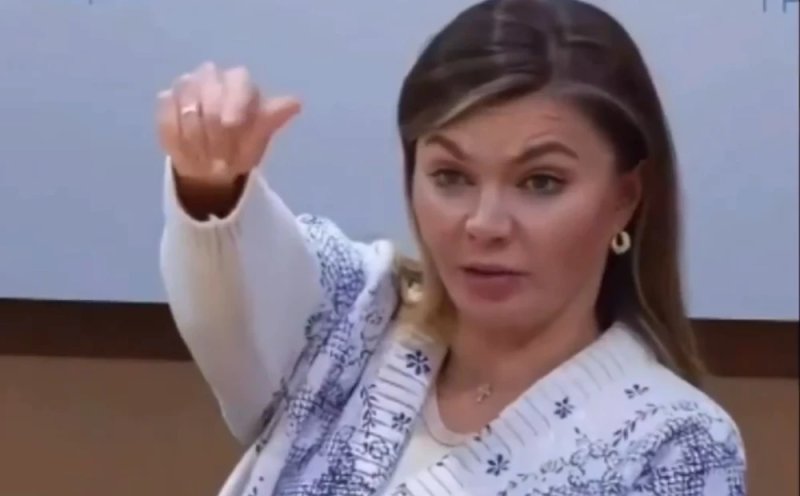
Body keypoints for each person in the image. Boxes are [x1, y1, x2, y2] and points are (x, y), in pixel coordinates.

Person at [156, 0, 746, 494]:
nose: (484, 224)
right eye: (450, 176)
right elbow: (236, 285)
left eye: (541, 182)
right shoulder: (355, 314)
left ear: (624, 197)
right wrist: (208, 177)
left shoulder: (675, 445)